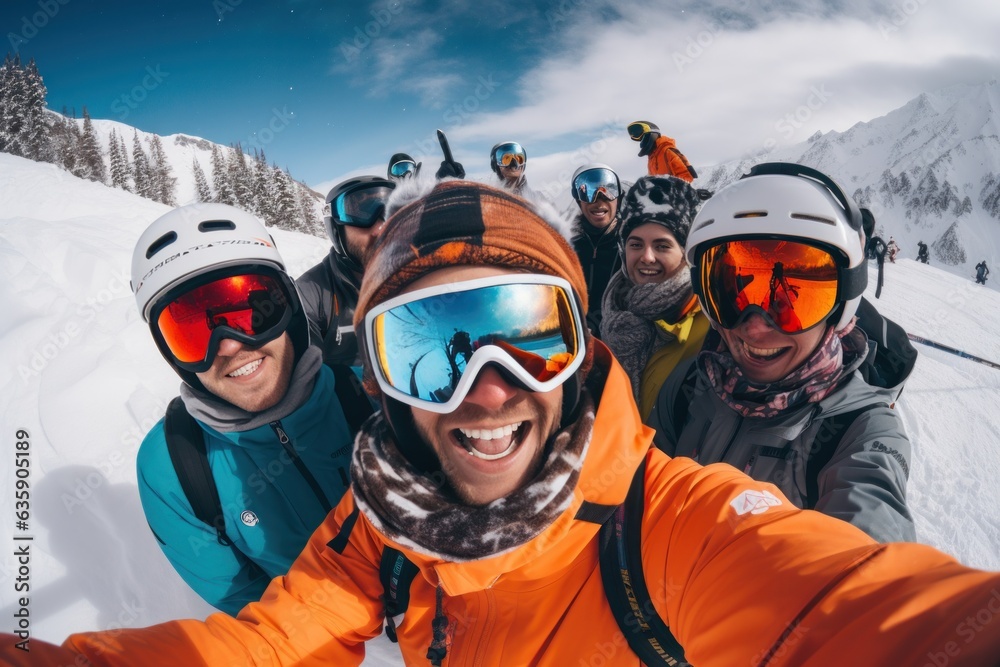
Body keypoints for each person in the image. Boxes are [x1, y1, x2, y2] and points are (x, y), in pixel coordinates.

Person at [12, 180, 1000, 667]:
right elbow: (255, 645)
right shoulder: (379, 526)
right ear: (382, 377)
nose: (485, 387)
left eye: (527, 333)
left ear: (581, 353)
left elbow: (864, 608)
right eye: (429, 345)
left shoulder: (672, 527)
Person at [648, 163, 917, 543]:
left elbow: (867, 563)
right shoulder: (693, 381)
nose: (754, 327)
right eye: (731, 293)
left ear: (841, 306)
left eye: (798, 300)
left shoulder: (859, 431)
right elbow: (637, 493)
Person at [128, 203, 356, 615]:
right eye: (194, 332)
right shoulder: (174, 467)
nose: (230, 346)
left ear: (288, 308)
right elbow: (245, 604)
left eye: (252, 314)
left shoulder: (370, 396)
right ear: (171, 354)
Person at [600, 175, 710, 419]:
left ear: (685, 253)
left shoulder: (712, 326)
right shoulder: (614, 309)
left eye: (662, 246)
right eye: (636, 244)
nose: (647, 257)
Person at [297, 175, 395, 366]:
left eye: (390, 211)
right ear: (336, 229)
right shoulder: (311, 293)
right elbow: (301, 372)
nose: (379, 228)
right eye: (359, 212)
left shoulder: (416, 277)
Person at [568, 163, 625, 336]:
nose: (599, 201)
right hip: (578, 341)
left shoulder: (632, 244)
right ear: (579, 201)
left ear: (619, 198)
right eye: (587, 193)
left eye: (609, 191)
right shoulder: (568, 245)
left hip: (621, 341)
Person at [626, 119, 697, 182]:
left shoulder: (668, 151)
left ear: (652, 134)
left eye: (643, 139)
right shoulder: (652, 159)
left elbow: (688, 178)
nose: (642, 143)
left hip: (677, 195)